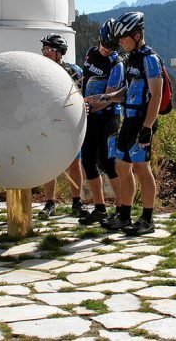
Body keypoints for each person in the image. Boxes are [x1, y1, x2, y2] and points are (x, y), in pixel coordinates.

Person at [86, 11, 163, 236]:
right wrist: (107, 97)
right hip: (128, 120)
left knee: (142, 169)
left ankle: (148, 219)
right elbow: (129, 91)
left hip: (142, 121)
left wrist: (148, 128)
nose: (120, 42)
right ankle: (124, 215)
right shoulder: (132, 58)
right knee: (122, 167)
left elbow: (156, 96)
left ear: (137, 35)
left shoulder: (150, 59)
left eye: (124, 38)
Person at [78, 19, 125, 226]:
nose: (107, 49)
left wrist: (87, 105)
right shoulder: (90, 53)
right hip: (89, 114)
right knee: (87, 160)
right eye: (105, 44)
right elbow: (85, 81)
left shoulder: (116, 63)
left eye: (112, 46)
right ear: (99, 38)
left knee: (107, 162)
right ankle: (99, 208)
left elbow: (108, 97)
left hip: (108, 116)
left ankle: (122, 207)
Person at [38, 33, 88, 219]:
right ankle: (50, 202)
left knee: (75, 163)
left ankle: (77, 201)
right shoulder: (40, 71)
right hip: (47, 124)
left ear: (60, 53)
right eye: (44, 50)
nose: (46, 53)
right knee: (48, 164)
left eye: (49, 50)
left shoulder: (74, 71)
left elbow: (82, 96)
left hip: (69, 124)